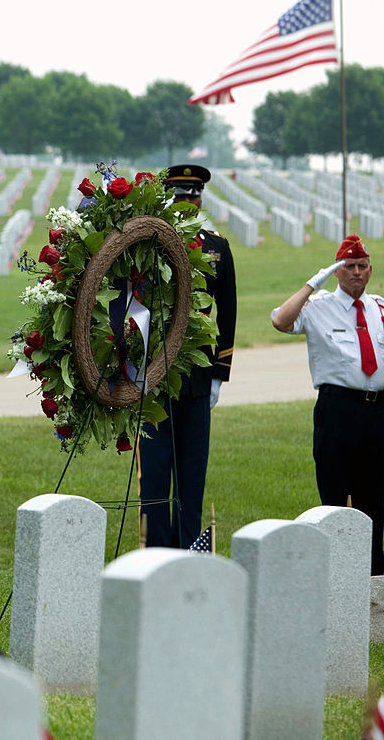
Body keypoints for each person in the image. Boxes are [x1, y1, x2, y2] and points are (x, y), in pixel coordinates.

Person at [271, 234, 384, 575]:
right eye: (349, 266)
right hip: (337, 411)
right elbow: (280, 320)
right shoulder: (318, 307)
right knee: (334, 502)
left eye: (363, 266)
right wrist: (311, 283)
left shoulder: (382, 308)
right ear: (337, 271)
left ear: (371, 269)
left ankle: (372, 582)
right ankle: (336, 580)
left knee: (374, 504)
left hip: (378, 412)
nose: (357, 273)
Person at [139, 164, 237, 548]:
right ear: (169, 198)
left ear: (201, 199)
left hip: (197, 379)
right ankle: (156, 552)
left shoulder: (217, 247)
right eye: (179, 196)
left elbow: (227, 312)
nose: (187, 202)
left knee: (192, 476)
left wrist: (219, 373)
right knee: (156, 476)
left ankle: (188, 553)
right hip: (154, 377)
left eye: (193, 196)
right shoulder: (147, 244)